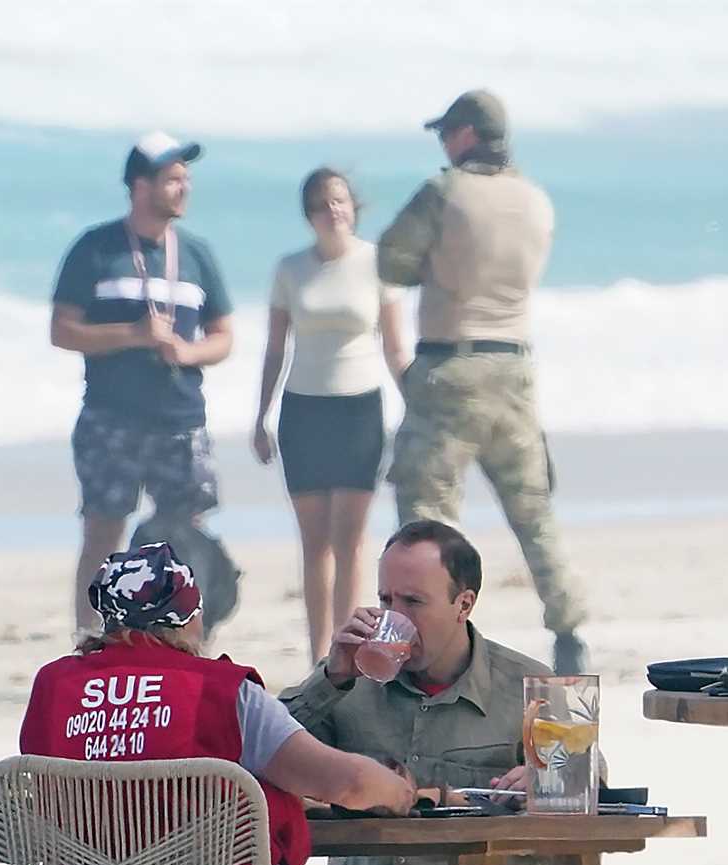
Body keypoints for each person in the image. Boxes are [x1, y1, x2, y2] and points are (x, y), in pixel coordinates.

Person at [19, 541, 416, 865]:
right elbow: (346, 784)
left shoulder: (54, 687)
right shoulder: (219, 693)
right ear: (190, 619)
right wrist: (400, 790)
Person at [280, 519, 570, 865]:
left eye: (413, 601)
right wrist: (332, 677)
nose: (396, 617)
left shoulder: (531, 685)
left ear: (464, 603)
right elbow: (268, 751)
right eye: (386, 599)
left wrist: (545, 783)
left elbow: (589, 787)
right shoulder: (346, 687)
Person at [378, 90, 589, 675]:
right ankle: (569, 627)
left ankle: (426, 636)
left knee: (429, 513)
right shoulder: (536, 201)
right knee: (533, 511)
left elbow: (391, 261)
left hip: (452, 364)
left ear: (466, 134)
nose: (443, 145)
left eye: (446, 134)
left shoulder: (446, 193)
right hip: (514, 364)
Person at [51, 132, 234, 632]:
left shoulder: (196, 253)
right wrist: (133, 333)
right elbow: (62, 330)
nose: (183, 188)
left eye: (185, 179)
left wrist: (188, 351)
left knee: (185, 535)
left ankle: (186, 639)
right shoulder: (96, 248)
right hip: (112, 416)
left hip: (181, 416)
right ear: (140, 185)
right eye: (172, 179)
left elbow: (223, 336)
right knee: (103, 532)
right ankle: (89, 639)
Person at [254, 168, 411, 663]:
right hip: (303, 411)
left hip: (359, 409)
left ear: (353, 207)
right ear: (309, 214)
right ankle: (317, 655)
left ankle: (350, 650)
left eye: (341, 201)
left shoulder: (376, 264)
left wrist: (419, 409)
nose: (333, 211)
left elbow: (395, 349)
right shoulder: (290, 268)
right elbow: (274, 349)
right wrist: (261, 416)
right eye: (323, 204)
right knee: (314, 542)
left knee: (350, 540)